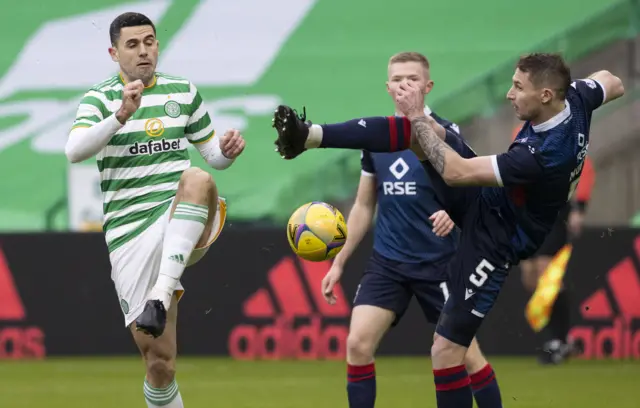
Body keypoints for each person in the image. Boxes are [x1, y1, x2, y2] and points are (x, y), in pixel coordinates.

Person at [272, 52, 624, 408]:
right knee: (418, 133)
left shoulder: (541, 154)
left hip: (497, 238)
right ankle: (309, 135)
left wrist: (415, 115)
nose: (508, 94)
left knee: (445, 350)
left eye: (518, 87)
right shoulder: (575, 98)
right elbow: (613, 80)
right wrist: (581, 87)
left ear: (545, 96)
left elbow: (457, 173)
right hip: (485, 205)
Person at [64, 12, 245, 408]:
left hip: (181, 211)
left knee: (197, 178)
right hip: (129, 233)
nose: (143, 50)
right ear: (114, 53)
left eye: (149, 41)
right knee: (160, 364)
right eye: (132, 44)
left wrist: (227, 154)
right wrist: (119, 116)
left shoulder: (182, 91)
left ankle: (161, 295)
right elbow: (74, 151)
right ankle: (157, 305)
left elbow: (213, 157)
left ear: (158, 45)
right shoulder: (100, 99)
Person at [321, 52, 503, 408]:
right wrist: (339, 261)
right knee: (357, 344)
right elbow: (363, 205)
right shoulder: (377, 138)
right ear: (387, 87)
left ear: (427, 86)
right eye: (397, 79)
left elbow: (471, 191)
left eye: (413, 79)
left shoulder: (445, 133)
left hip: (441, 264)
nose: (404, 85)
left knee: (467, 357)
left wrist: (452, 214)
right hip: (388, 264)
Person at [518, 141, 596, 365]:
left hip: (555, 213)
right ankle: (566, 338)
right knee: (530, 278)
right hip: (530, 215)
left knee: (546, 272)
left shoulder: (560, 133)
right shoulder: (521, 135)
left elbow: (585, 167)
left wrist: (579, 208)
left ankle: (557, 340)